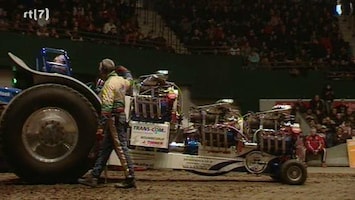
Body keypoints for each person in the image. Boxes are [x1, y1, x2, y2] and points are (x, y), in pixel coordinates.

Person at [78, 58, 136, 189]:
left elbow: (106, 109)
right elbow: (130, 81)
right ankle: (95, 175)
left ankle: (130, 177)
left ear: (103, 71)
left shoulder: (109, 84)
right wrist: (127, 71)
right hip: (119, 117)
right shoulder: (121, 81)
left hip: (113, 119)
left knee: (121, 147)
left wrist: (100, 127)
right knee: (106, 148)